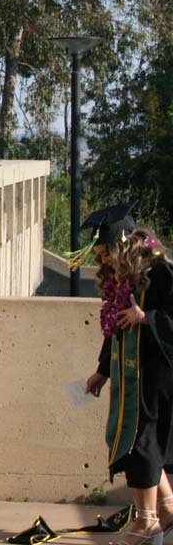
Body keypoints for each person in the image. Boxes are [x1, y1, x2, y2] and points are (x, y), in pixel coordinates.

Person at [82, 203, 173, 545]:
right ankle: (166, 508)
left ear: (123, 245)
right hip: (133, 374)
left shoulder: (160, 271)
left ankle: (147, 524)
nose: (102, 259)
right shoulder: (125, 279)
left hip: (158, 375)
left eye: (105, 251)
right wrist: (102, 371)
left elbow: (163, 317)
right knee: (139, 442)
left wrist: (146, 317)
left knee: (143, 442)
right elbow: (116, 329)